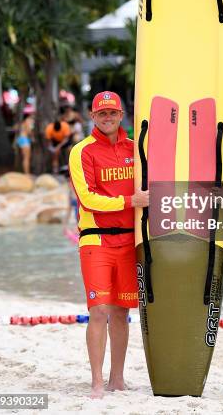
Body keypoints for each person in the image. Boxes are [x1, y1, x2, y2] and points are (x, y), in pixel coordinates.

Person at [69, 91, 149, 399]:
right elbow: (87, 198)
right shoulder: (81, 151)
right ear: (92, 116)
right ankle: (97, 382)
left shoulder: (134, 149)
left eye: (112, 113)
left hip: (130, 240)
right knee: (99, 309)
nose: (108, 118)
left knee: (121, 311)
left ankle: (118, 379)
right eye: (102, 113)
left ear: (121, 115)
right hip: (96, 239)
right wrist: (129, 201)